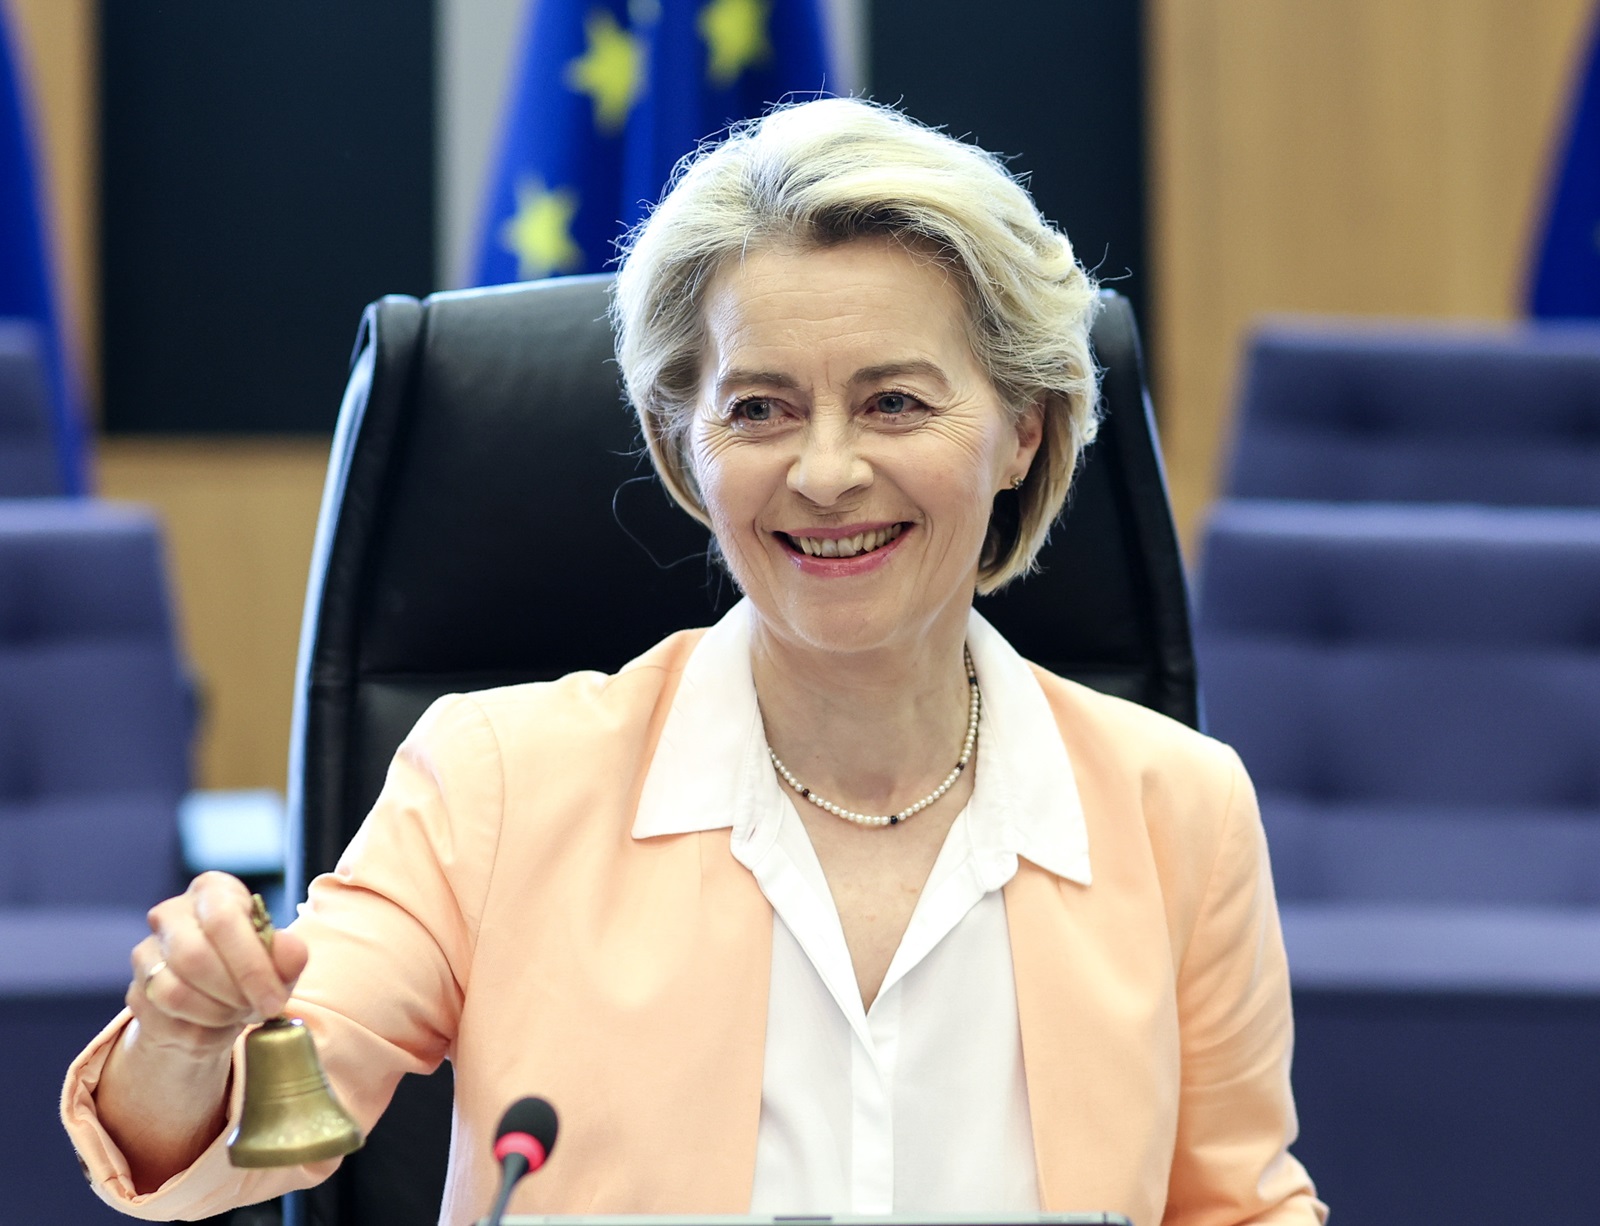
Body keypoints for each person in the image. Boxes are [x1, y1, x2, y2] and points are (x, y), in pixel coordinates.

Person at [63, 98, 1325, 1225]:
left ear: (1019, 432)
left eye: (893, 402)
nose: (825, 472)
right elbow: (241, 1134)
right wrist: (183, 1034)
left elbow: (1236, 1203)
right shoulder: (497, 779)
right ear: (686, 452)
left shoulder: (1179, 808)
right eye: (759, 408)